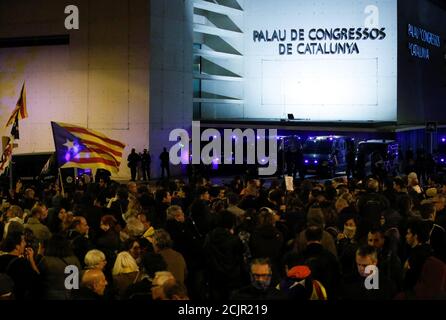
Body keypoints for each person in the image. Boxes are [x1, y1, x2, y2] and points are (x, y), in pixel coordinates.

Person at [38, 234, 81, 300]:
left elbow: (38, 277)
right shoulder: (74, 260)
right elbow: (77, 280)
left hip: (51, 296)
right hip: (71, 295)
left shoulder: (46, 260)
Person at [0, 232, 40, 300]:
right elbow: (37, 280)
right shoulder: (23, 263)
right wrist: (31, 260)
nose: (25, 244)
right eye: (23, 241)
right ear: (17, 246)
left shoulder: (1, 258)